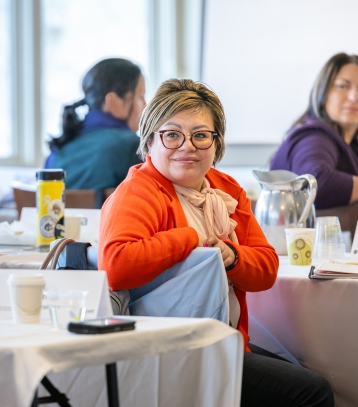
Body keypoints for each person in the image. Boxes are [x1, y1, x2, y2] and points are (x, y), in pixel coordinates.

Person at [99, 78, 334, 406]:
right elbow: (116, 266)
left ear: (216, 143)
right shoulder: (138, 192)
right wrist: (190, 237)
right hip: (167, 350)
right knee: (312, 392)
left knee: (311, 369)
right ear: (150, 141)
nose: (187, 146)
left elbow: (266, 269)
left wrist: (232, 256)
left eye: (200, 135)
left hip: (220, 340)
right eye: (172, 135)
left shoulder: (226, 189)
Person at [270, 53, 358, 220]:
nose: (354, 97)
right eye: (342, 86)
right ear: (323, 92)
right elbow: (314, 183)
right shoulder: (315, 136)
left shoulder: (354, 148)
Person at [45, 58, 145, 207]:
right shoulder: (131, 146)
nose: (146, 105)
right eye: (141, 96)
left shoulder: (59, 149)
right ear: (112, 101)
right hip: (107, 230)